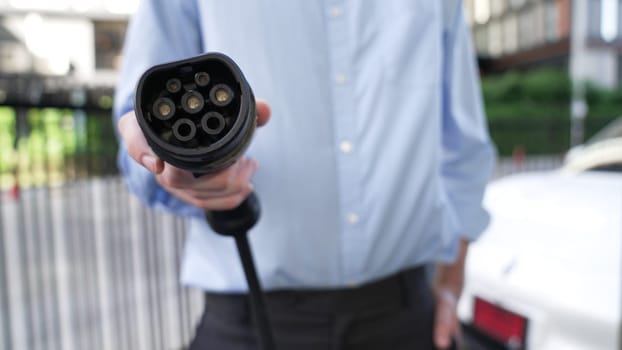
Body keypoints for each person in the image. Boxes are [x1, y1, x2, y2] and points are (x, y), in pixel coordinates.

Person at [114, 1, 495, 349]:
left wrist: (451, 281)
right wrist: (172, 169)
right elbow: (138, 133)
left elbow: (464, 148)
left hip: (405, 316)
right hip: (248, 323)